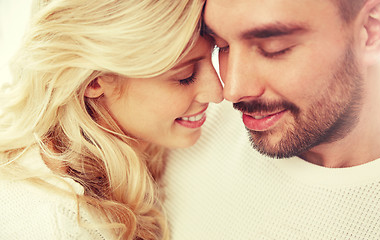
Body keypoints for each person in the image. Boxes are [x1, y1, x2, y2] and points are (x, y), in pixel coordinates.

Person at [163, 0, 380, 239]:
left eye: (274, 49)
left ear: (371, 30)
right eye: (222, 46)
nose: (232, 90)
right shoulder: (184, 131)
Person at [0, 0, 222, 239]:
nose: (218, 92)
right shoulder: (58, 223)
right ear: (94, 82)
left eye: (216, 54)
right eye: (186, 76)